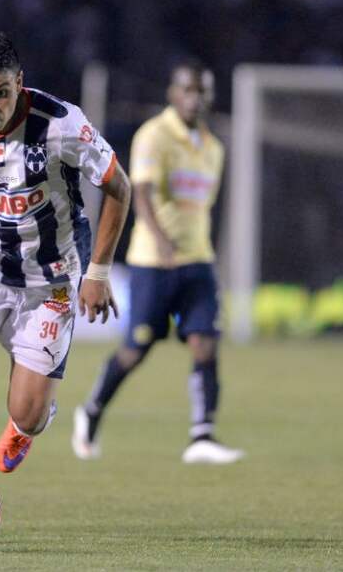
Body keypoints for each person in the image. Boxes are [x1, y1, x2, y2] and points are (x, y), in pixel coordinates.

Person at [0, 31, 132, 477]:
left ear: (20, 83)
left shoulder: (61, 124)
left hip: (52, 274)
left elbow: (118, 186)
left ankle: (30, 422)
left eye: (2, 94)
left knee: (27, 413)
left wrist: (98, 272)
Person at [72, 63, 245, 465]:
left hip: (197, 260)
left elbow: (203, 207)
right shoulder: (154, 135)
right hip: (154, 261)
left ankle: (201, 436)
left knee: (205, 343)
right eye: (187, 89)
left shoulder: (213, 147)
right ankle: (92, 409)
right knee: (136, 348)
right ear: (172, 92)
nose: (195, 97)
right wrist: (162, 238)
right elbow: (142, 192)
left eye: (202, 90)